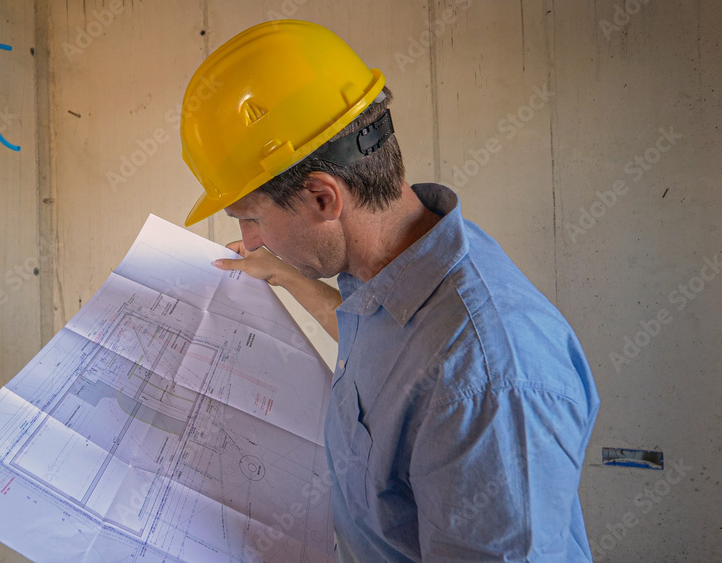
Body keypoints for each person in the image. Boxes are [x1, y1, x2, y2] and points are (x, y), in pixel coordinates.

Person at [178, 20, 601, 562]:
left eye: (250, 217)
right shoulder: (400, 272)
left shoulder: (487, 381)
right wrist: (286, 276)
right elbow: (389, 350)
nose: (248, 239)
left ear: (322, 198)